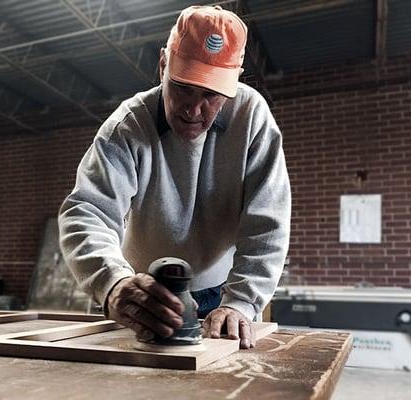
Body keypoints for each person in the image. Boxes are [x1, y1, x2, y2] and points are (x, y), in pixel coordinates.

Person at [58, 5, 291, 349]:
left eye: (211, 95)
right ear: (164, 64)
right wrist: (113, 283)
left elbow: (267, 221)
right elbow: (87, 213)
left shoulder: (252, 118)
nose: (193, 110)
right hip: (140, 293)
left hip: (224, 292)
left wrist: (241, 301)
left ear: (236, 79)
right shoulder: (128, 126)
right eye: (183, 87)